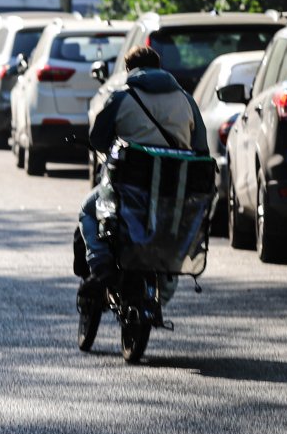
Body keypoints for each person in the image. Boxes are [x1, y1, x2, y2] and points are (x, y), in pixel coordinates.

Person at [77, 44, 209, 302]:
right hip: (173, 192)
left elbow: (98, 139)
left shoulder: (122, 97)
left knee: (88, 210)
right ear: (159, 68)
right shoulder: (186, 100)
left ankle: (102, 267)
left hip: (129, 190)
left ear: (129, 69)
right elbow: (201, 148)